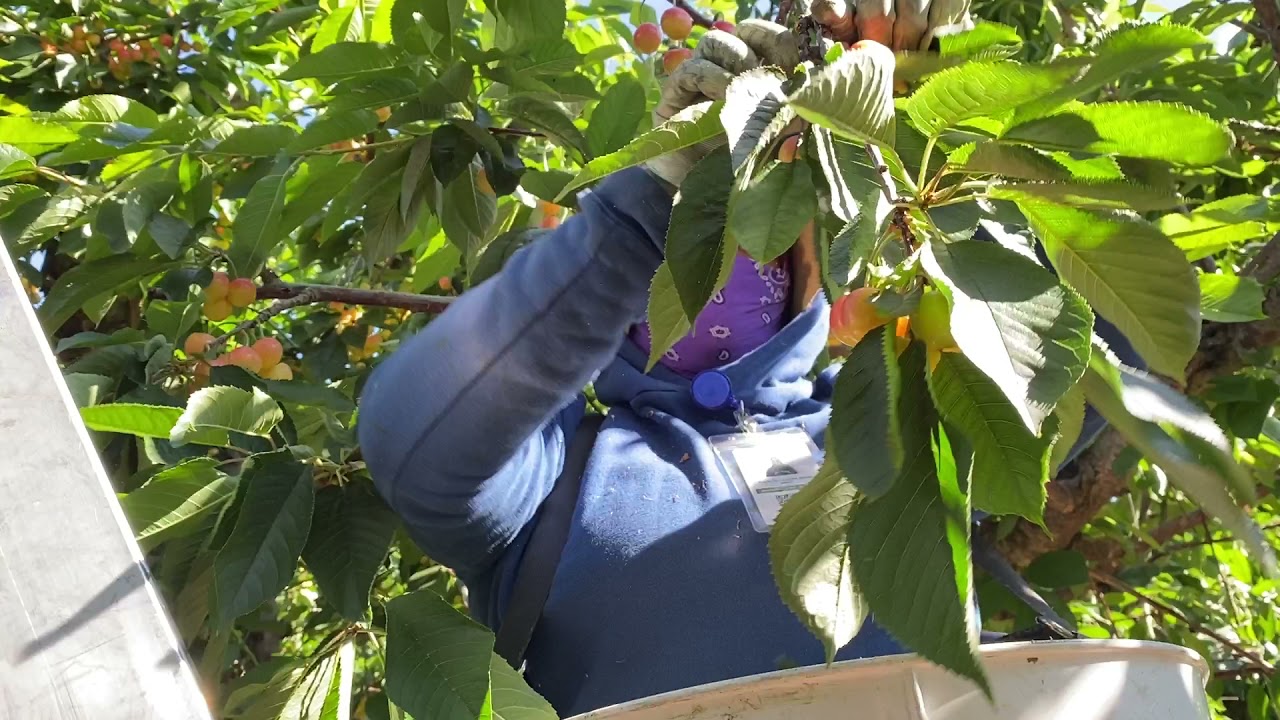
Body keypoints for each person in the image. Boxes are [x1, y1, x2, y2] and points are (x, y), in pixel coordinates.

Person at [358, 4, 1139, 717]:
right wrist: (643, 207)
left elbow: (1115, 333)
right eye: (697, 214)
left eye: (765, 208)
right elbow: (416, 429)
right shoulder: (552, 477)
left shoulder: (895, 416)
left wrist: (920, 116)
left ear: (822, 250)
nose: (725, 244)